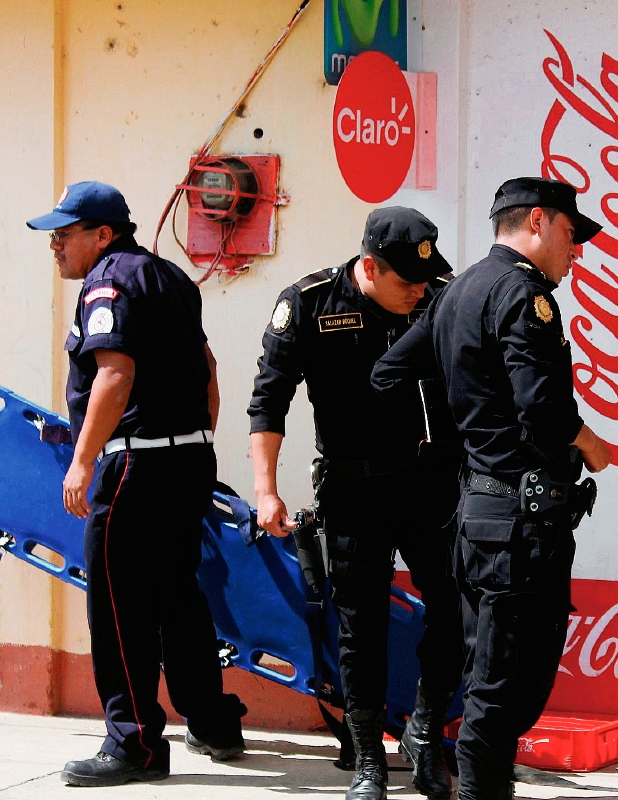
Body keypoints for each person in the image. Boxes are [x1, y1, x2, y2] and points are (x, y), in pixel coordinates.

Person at [372, 177, 613, 800]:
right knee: (504, 689)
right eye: (570, 233)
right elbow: (546, 413)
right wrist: (592, 445)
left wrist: (458, 437)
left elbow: (389, 372)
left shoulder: (460, 290)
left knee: (498, 681)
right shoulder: (522, 293)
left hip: (482, 516)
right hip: (517, 526)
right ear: (537, 221)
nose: (575, 251)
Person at [27, 181, 246, 787]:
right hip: (186, 463)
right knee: (179, 597)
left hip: (135, 468)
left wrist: (83, 462)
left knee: (119, 606)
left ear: (102, 234)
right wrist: (196, 441)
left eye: (64, 233)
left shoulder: (108, 281)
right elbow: (208, 370)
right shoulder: (169, 277)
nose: (55, 245)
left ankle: (134, 744)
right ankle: (213, 722)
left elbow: (114, 375)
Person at [247, 207, 463, 800]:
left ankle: (423, 730)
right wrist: (266, 489)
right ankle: (370, 759)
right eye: (406, 280)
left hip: (432, 485)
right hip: (353, 489)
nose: (418, 291)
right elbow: (269, 400)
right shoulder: (311, 303)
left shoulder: (442, 298)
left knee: (457, 611)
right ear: (369, 266)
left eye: (425, 279)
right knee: (359, 626)